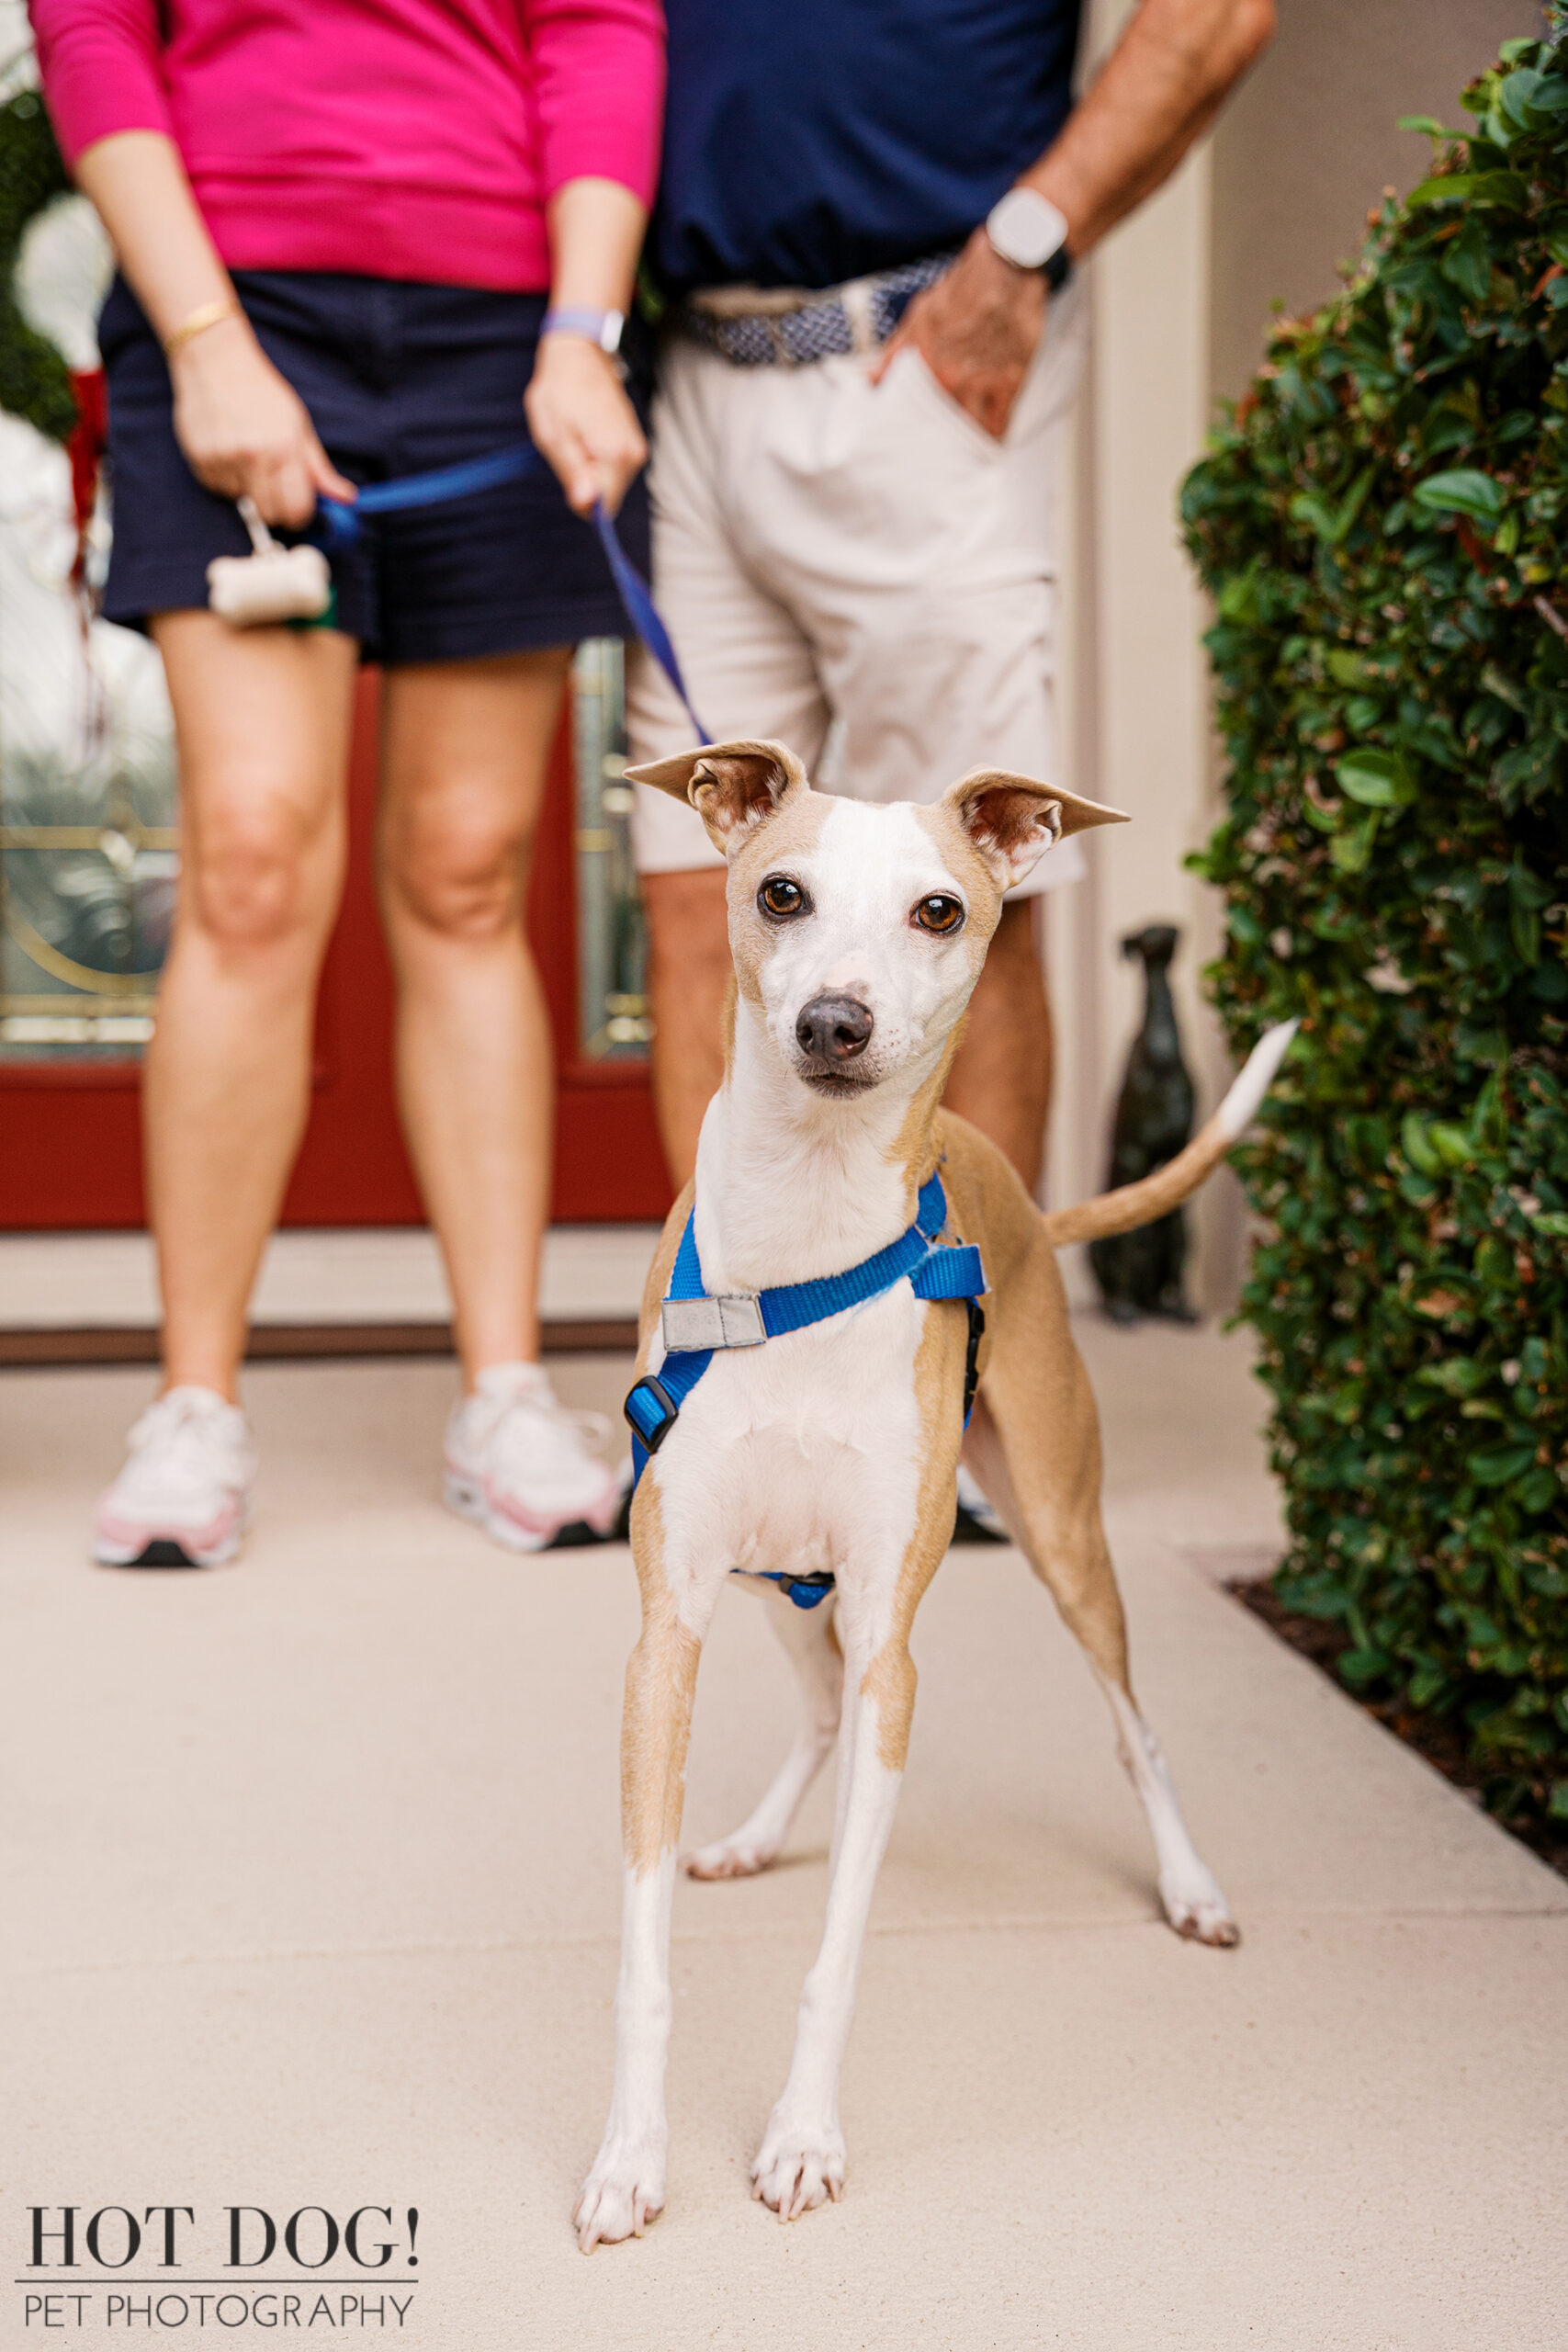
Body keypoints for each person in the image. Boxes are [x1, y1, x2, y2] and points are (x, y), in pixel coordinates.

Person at [28, 0, 665, 1566]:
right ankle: (194, 1405)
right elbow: (91, 33)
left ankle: (505, 1391)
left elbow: (599, 36)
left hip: (507, 326)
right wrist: (203, 344)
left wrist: (583, 337)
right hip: (231, 302)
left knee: (468, 867)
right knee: (250, 860)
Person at [629, 0, 1276, 1192]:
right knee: (692, 891)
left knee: (965, 899)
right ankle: (733, 1349)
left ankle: (962, 1362)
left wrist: (1026, 243)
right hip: (687, 375)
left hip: (918, 351)